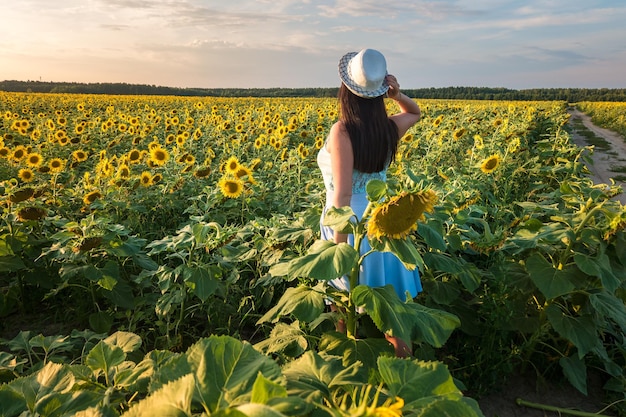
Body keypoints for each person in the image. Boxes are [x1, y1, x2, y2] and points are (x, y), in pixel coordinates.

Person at [317, 48, 422, 357]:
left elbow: (343, 194)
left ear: (346, 92)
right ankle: (406, 371)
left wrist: (339, 247)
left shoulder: (343, 131)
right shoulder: (388, 128)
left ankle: (346, 363)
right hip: (382, 219)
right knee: (391, 309)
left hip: (349, 223)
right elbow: (414, 113)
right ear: (379, 93)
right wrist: (398, 95)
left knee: (342, 305)